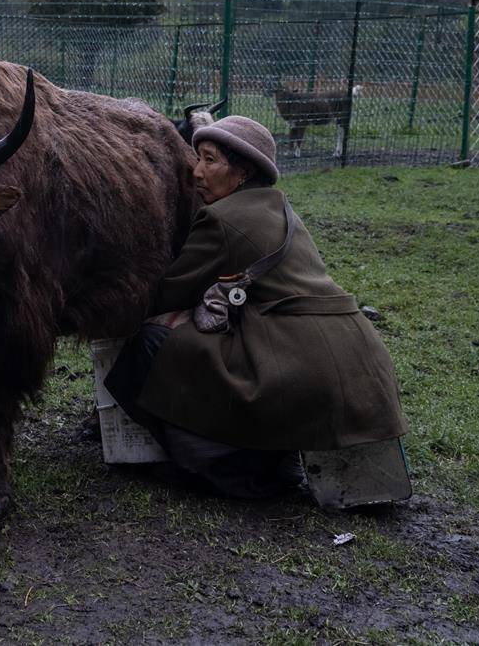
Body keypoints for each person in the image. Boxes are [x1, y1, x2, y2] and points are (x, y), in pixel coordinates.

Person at [106, 115, 407, 498]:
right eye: (198, 158)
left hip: (303, 368)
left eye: (210, 160)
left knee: (149, 344)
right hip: (361, 362)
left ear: (243, 171)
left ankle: (231, 470)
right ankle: (266, 453)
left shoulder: (220, 219)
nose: (196, 172)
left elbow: (168, 294)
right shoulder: (282, 209)